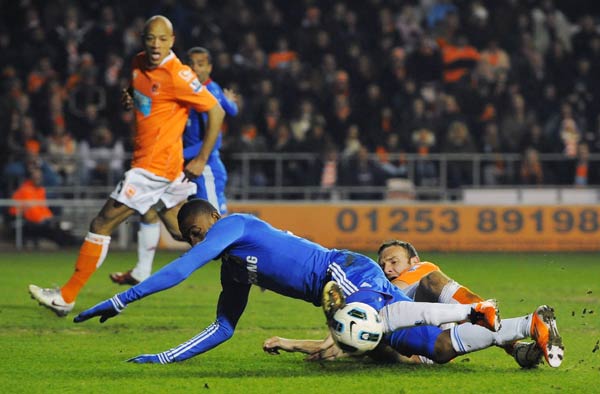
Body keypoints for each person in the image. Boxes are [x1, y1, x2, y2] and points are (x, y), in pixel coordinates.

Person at [74, 199, 551, 367]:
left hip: (343, 270)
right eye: (194, 238)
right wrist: (160, 358)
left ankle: (473, 309)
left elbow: (180, 269)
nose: (199, 243)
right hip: (335, 290)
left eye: (197, 235)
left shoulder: (234, 223)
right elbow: (223, 327)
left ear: (211, 222)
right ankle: (523, 325)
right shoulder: (234, 268)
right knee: (433, 350)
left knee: (375, 323)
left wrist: (122, 299)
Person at [28, 15, 225, 317]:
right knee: (182, 230)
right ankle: (246, 256)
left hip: (152, 167)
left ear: (172, 41)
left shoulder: (178, 74)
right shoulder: (138, 63)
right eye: (150, 38)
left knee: (101, 224)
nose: (156, 45)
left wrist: (200, 159)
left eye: (162, 39)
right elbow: (149, 96)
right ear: (142, 39)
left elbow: (217, 111)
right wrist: (134, 98)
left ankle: (65, 297)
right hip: (165, 168)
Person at [263, 240, 563, 368]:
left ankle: (513, 334)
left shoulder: (419, 272)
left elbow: (392, 301)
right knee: (363, 343)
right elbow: (351, 336)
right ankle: (521, 337)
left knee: (436, 292)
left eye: (394, 261)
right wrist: (293, 343)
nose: (388, 268)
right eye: (383, 264)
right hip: (413, 350)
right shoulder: (377, 292)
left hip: (440, 330)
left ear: (412, 261)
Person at [110, 46, 238, 286]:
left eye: (201, 64)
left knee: (218, 228)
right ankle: (141, 270)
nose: (195, 68)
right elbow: (156, 100)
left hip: (204, 167)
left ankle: (260, 264)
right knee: (152, 209)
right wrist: (134, 97)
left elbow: (215, 135)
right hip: (180, 167)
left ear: (209, 67)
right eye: (191, 63)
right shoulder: (183, 88)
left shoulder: (208, 92)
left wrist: (190, 156)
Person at [8, 166, 78, 247]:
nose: (38, 179)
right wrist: (44, 220)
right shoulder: (25, 190)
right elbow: (31, 212)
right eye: (36, 177)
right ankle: (70, 244)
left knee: (57, 228)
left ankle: (72, 242)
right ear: (30, 178)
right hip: (22, 222)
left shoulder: (40, 190)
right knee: (53, 231)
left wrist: (50, 218)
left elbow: (43, 208)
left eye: (39, 177)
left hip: (36, 221)